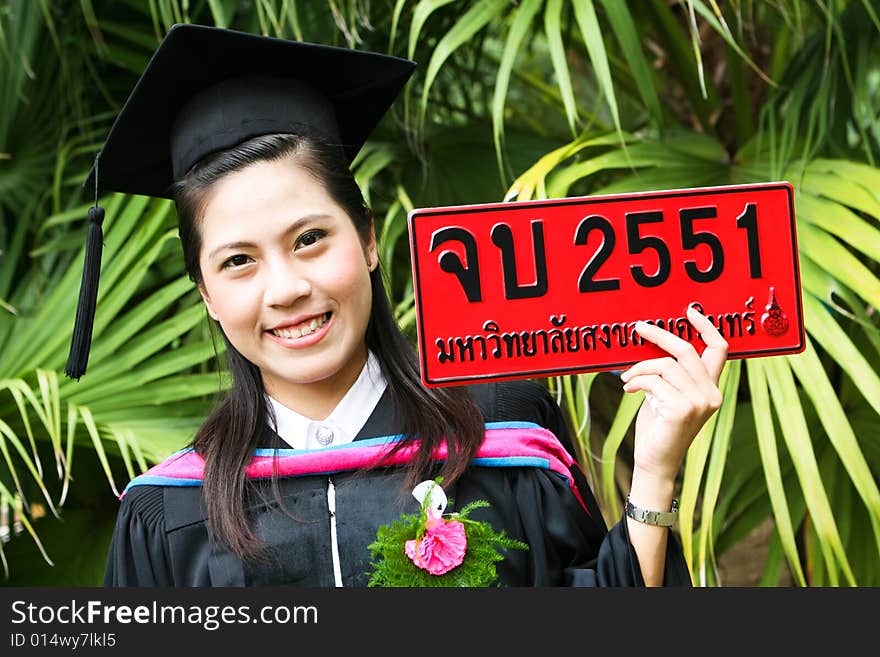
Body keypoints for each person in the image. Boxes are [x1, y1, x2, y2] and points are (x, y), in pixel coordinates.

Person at [69, 24, 727, 587]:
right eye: (238, 261)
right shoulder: (170, 513)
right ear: (208, 294)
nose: (286, 287)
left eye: (310, 239)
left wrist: (654, 474)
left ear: (369, 239)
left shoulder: (501, 432)